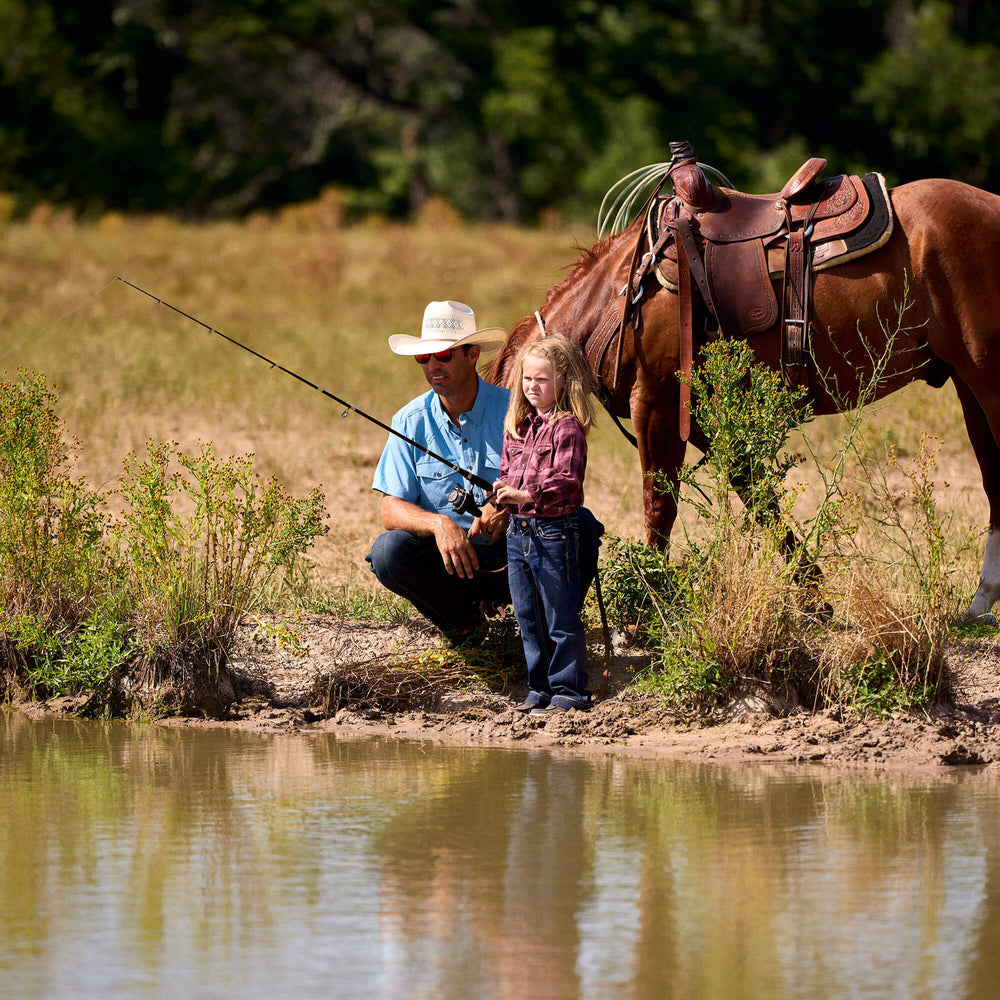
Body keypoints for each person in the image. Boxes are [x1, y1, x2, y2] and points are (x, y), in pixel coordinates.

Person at [366, 300, 512, 646]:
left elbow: (550, 481)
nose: (432, 365)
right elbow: (390, 509)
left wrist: (509, 506)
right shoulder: (408, 420)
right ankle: (465, 628)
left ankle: (542, 627)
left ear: (472, 354)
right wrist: (439, 524)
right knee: (388, 552)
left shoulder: (514, 409)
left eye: (443, 355)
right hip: (450, 563)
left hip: (515, 555)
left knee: (577, 530)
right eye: (423, 357)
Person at [493, 335, 597, 715]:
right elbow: (507, 471)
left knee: (559, 615)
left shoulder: (566, 426)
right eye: (527, 379)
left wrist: (525, 495)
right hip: (518, 533)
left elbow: (568, 481)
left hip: (554, 533)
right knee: (527, 616)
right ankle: (539, 688)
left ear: (562, 382)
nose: (532, 387)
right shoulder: (517, 425)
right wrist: (502, 491)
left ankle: (570, 691)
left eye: (542, 380)